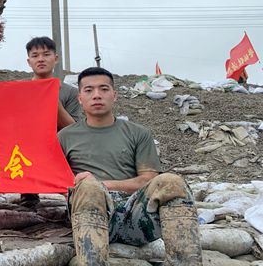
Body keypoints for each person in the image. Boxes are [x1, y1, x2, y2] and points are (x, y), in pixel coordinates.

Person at [58, 67, 202, 266]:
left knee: (171, 181)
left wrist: (101, 184)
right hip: (89, 214)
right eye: (89, 90)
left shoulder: (138, 133)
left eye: (104, 89)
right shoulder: (65, 137)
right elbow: (58, 182)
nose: (97, 95)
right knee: (88, 188)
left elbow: (148, 180)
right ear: (80, 98)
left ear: (115, 95)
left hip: (135, 216)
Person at [20, 36, 83, 207]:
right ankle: (28, 193)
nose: (40, 59)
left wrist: (52, 99)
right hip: (28, 145)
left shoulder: (70, 92)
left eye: (46, 54)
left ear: (55, 59)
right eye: (35, 55)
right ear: (29, 61)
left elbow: (74, 128)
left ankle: (73, 195)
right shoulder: (20, 90)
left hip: (59, 144)